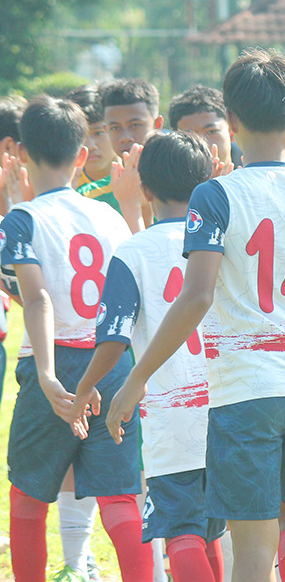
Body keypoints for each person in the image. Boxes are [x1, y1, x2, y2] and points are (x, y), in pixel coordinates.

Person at [103, 48, 285, 582]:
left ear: (231, 122)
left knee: (254, 548)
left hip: (246, 389)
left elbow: (196, 297)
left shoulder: (213, 195)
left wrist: (136, 380)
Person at [1, 95, 150, 581]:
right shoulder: (106, 215)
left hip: (57, 358)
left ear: (21, 153)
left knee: (28, 494)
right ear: (82, 155)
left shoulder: (23, 219)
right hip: (111, 361)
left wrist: (45, 374)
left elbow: (37, 299)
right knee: (120, 497)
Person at [68, 131, 225, 581]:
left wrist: (85, 387)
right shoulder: (223, 242)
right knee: (216, 529)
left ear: (146, 189)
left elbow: (113, 339)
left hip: (172, 415)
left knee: (182, 531)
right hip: (234, 406)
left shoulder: (133, 252)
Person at [67, 85, 120, 215]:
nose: (89, 145)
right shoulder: (65, 187)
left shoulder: (140, 181)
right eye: (80, 135)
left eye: (98, 133)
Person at [169, 85, 236, 167]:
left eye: (211, 132)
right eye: (189, 136)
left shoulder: (252, 176)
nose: (202, 143)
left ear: (231, 132)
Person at [100, 78, 163, 159]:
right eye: (115, 128)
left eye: (135, 125)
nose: (125, 138)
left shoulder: (178, 168)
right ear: (106, 130)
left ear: (157, 124)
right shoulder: (110, 171)